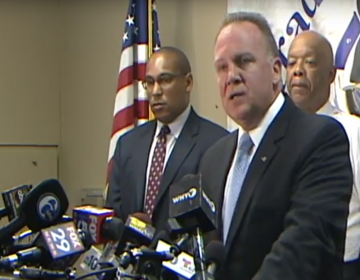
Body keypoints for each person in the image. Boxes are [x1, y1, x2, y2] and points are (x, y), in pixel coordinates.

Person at [199, 11, 353, 280]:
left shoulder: (320, 139)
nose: (231, 76)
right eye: (221, 67)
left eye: (243, 61)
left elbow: (303, 251)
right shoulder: (214, 158)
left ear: (275, 71)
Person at [105, 46, 229, 231]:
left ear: (187, 83)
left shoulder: (217, 143)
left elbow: (217, 222)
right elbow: (114, 216)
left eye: (164, 80)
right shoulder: (128, 144)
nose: (155, 91)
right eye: (149, 82)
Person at [286, 30, 360, 280]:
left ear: (330, 75)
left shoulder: (353, 131)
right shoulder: (275, 135)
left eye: (309, 62)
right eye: (292, 62)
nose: (298, 70)